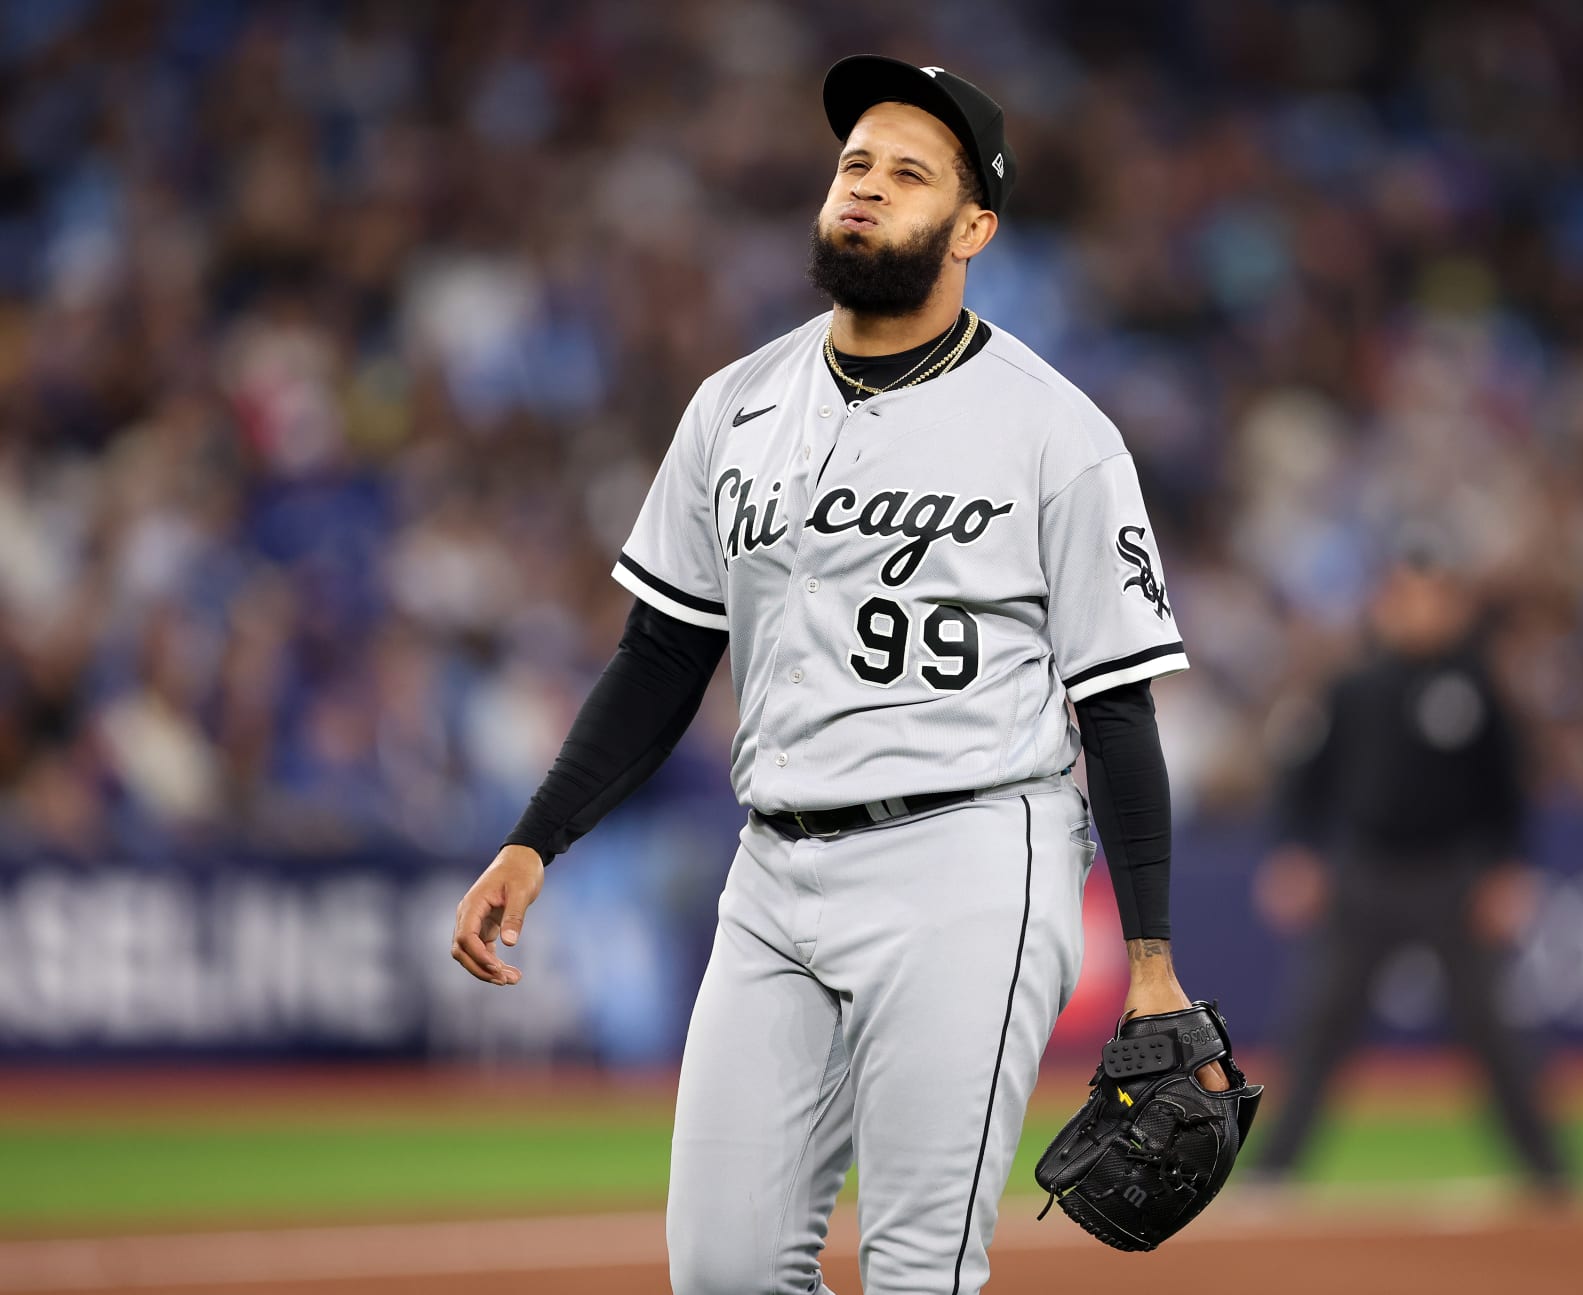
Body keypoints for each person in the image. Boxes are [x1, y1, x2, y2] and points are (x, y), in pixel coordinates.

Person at [450, 56, 1226, 1294]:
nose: (865, 185)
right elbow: (664, 651)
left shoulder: (1056, 431)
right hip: (773, 868)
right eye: (855, 163)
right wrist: (536, 838)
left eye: (909, 174)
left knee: (920, 1268)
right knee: (723, 1267)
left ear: (973, 228)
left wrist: (1150, 957)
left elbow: (1117, 708)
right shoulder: (733, 405)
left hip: (971, 856)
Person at [1251, 537, 1569, 1194]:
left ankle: (1550, 1179)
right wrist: (1297, 853)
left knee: (1492, 1030)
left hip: (1453, 879)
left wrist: (1507, 870)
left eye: (1433, 598)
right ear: (1385, 605)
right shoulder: (1352, 688)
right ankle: (1273, 1174)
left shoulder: (1478, 688)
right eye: (1407, 597)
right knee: (1319, 1029)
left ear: (1455, 607)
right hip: (1366, 876)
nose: (1420, 611)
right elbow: (1305, 783)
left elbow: (1507, 791)